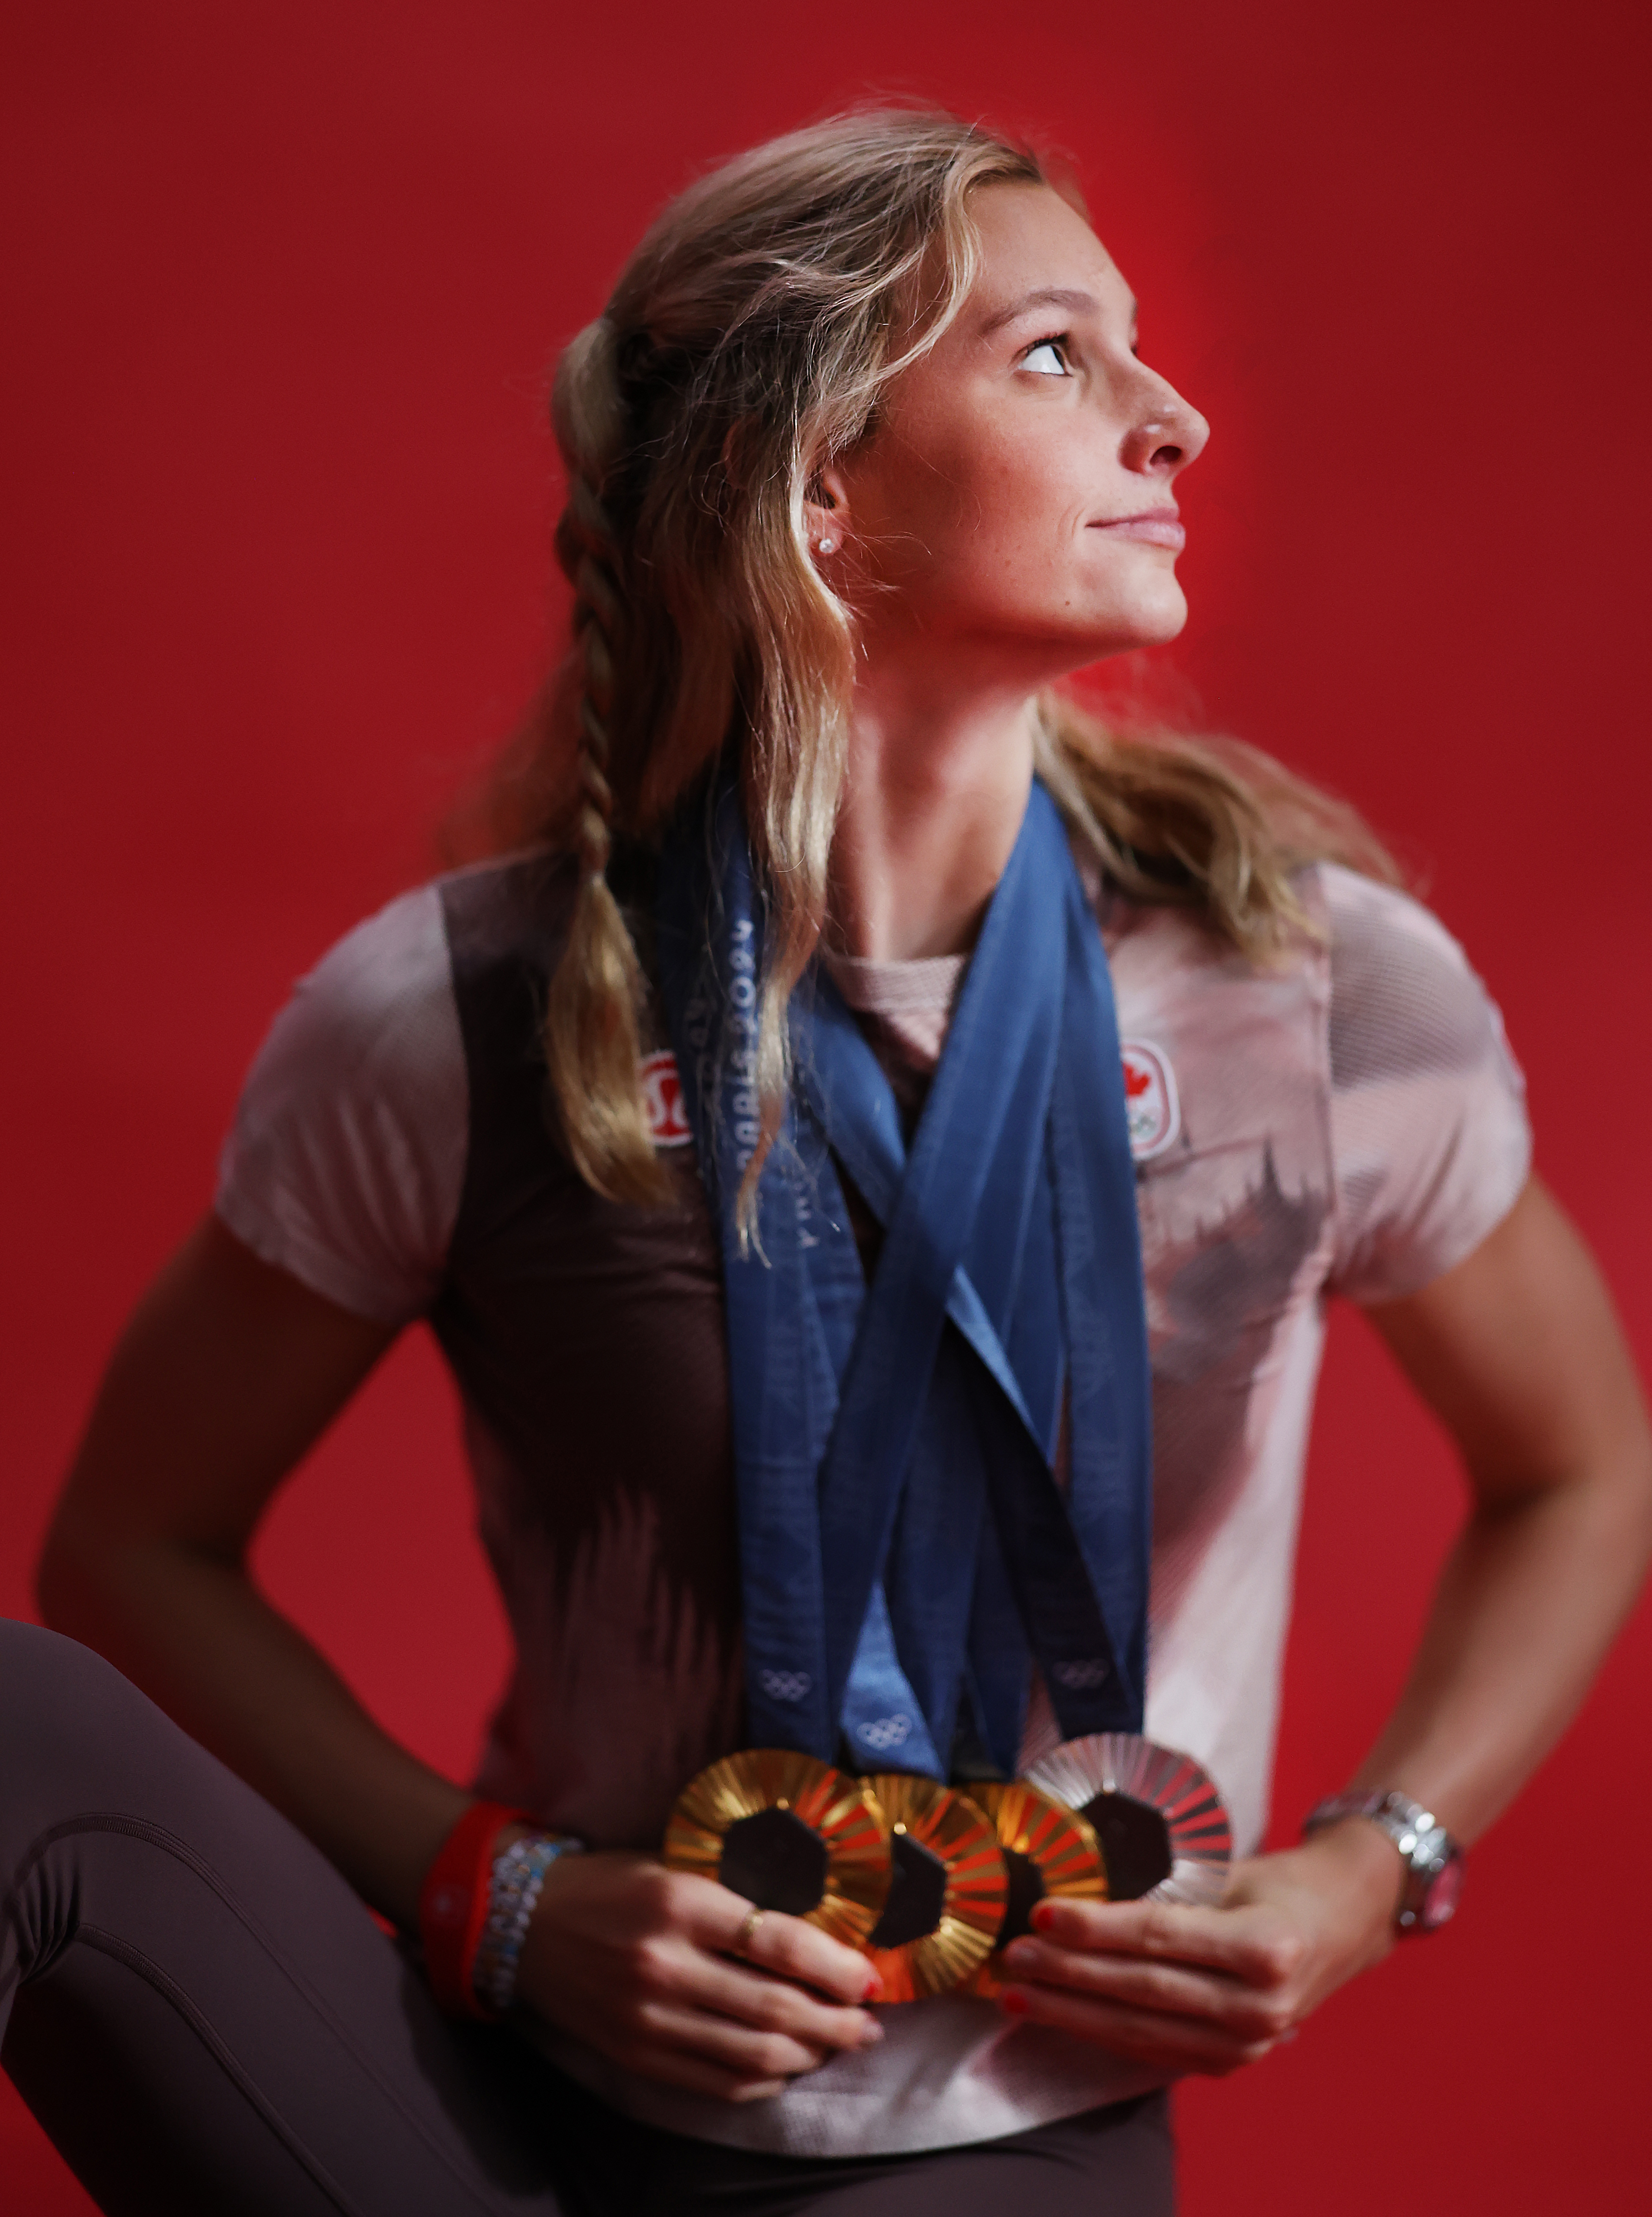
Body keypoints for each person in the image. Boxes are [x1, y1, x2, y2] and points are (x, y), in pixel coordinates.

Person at [4, 105, 1648, 2217]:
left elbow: (1581, 1464)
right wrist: (492, 1891)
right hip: (486, 2103)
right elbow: (127, 1547)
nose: (1173, 415)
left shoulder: (1308, 993)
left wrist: (1374, 1860)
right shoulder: (465, 1013)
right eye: (1054, 355)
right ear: (818, 488)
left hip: (990, 2140)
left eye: (1135, 347)